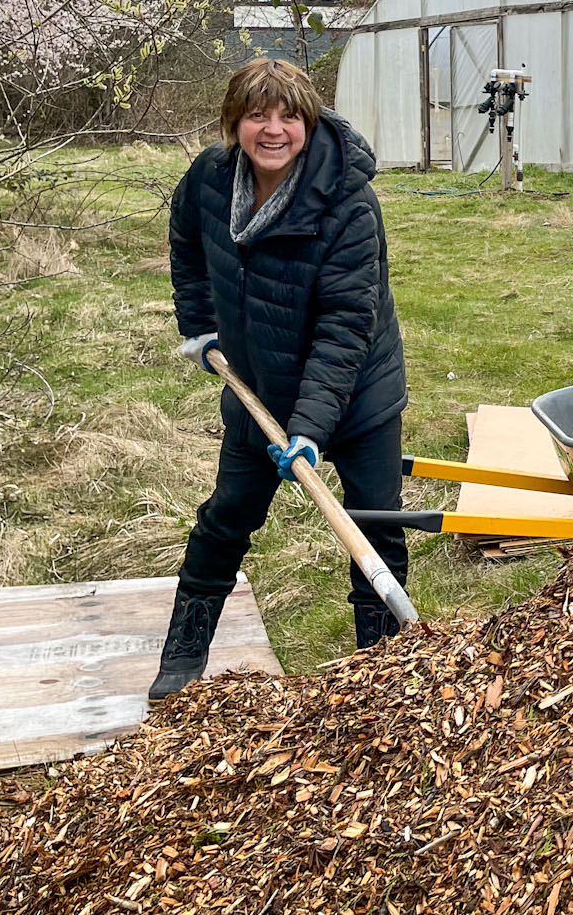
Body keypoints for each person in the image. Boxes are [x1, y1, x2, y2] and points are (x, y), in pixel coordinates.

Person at [153, 59, 409, 699]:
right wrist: (200, 325)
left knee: (373, 525)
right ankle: (182, 659)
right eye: (256, 116)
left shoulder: (347, 205)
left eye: (288, 115)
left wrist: (311, 430)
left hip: (354, 400)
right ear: (233, 123)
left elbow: (346, 328)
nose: (273, 130)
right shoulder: (211, 179)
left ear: (308, 120)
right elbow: (186, 239)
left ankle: (383, 677)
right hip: (257, 388)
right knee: (228, 517)